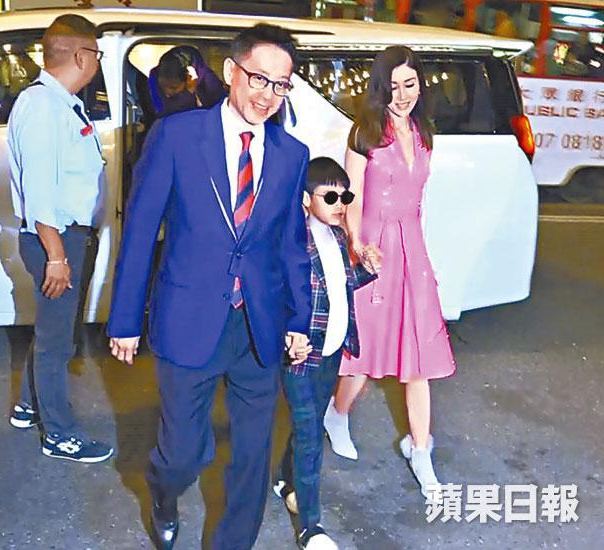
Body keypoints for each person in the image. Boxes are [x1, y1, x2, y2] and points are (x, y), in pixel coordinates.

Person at [108, 24, 312, 550]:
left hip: (259, 325)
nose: (268, 95)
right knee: (181, 455)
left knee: (252, 458)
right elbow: (139, 230)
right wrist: (125, 319)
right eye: (259, 79)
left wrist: (299, 318)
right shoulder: (176, 136)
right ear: (230, 71)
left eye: (281, 85)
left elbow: (291, 244)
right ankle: (163, 492)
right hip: (188, 317)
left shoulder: (292, 154)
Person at [323, 46, 456, 501]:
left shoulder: (423, 132)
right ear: (380, 88)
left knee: (419, 358)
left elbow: (418, 200)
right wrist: (358, 245)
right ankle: (337, 413)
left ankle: (421, 450)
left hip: (412, 250)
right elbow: (352, 197)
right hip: (374, 251)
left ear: (421, 85)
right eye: (393, 86)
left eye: (410, 84)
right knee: (364, 357)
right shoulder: (365, 133)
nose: (402, 95)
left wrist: (421, 254)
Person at [6, 14, 112, 463]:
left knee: (54, 331)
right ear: (82, 55)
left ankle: (30, 404)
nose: (97, 64)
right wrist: (56, 256)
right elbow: (40, 193)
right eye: (97, 55)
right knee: (55, 343)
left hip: (65, 238)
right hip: (56, 240)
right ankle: (59, 435)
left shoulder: (60, 102)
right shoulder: (42, 107)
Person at [273, 157, 378, 550]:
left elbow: (341, 285)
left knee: (311, 424)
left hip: (331, 351)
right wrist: (288, 335)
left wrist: (369, 269)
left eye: (345, 197)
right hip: (301, 356)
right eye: (329, 197)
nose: (340, 204)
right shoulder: (293, 242)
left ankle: (284, 480)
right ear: (306, 199)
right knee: (310, 436)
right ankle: (310, 527)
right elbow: (278, 294)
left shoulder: (336, 236)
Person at [148, 45, 225, 119]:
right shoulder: (154, 76)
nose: (167, 93)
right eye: (162, 87)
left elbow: (220, 112)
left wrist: (189, 92)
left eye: (173, 88)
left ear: (189, 77)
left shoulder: (208, 81)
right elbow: (161, 114)